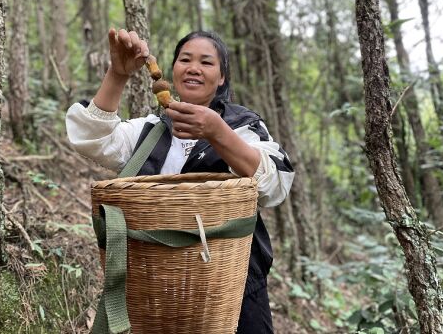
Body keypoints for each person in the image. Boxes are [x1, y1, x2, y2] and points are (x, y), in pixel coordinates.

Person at [65, 28, 295, 333]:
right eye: (185, 59)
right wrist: (117, 74)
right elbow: (92, 138)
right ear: (173, 70)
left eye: (207, 62)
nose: (194, 68)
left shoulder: (242, 127)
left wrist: (216, 131)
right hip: (157, 290)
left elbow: (273, 182)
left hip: (232, 286)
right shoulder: (150, 131)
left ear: (222, 78)